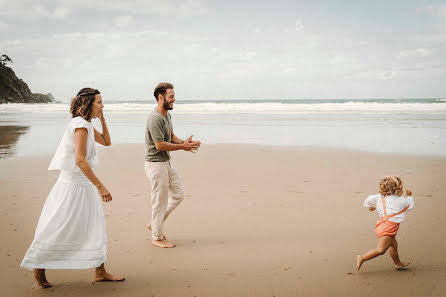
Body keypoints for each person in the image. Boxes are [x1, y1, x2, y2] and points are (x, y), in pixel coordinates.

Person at [21, 88, 124, 288]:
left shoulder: (86, 124)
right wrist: (101, 186)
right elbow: (79, 160)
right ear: (88, 104)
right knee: (60, 225)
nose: (103, 106)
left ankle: (100, 271)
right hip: (73, 186)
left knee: (95, 226)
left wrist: (102, 119)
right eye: (99, 103)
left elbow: (107, 142)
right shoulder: (80, 126)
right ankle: (39, 266)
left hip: (84, 185)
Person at [145, 82, 201, 248]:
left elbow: (170, 136)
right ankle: (157, 237)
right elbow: (160, 145)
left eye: (173, 96)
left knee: (178, 195)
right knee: (159, 202)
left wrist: (184, 143)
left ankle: (155, 223)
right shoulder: (154, 118)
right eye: (171, 97)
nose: (174, 100)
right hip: (155, 165)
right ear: (161, 97)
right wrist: (182, 147)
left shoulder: (166, 115)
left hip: (166, 162)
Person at [356, 176, 414, 270]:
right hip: (389, 227)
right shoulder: (399, 200)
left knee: (393, 246)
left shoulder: (379, 197)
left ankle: (398, 264)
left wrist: (369, 206)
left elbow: (369, 199)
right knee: (381, 250)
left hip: (383, 224)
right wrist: (409, 196)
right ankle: (362, 257)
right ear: (398, 189)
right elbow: (410, 206)